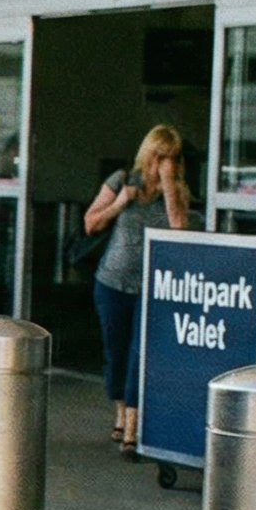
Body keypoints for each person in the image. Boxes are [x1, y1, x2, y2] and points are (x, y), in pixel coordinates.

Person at [82, 126, 193, 456]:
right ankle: (120, 410)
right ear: (147, 154)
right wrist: (120, 203)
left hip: (152, 286)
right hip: (113, 281)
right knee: (115, 352)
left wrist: (170, 186)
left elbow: (179, 230)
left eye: (171, 158)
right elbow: (91, 223)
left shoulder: (177, 190)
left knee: (139, 353)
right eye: (159, 157)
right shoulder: (122, 180)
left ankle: (133, 425)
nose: (163, 164)